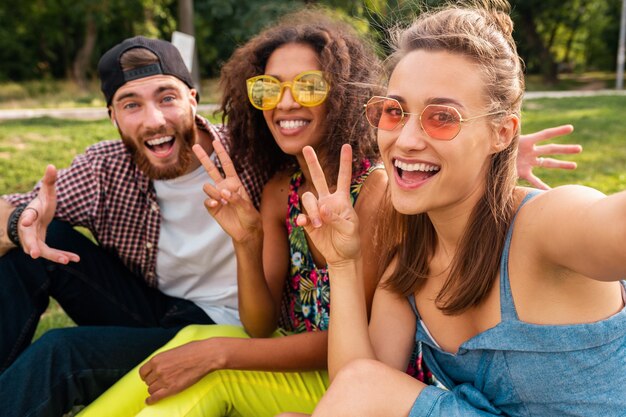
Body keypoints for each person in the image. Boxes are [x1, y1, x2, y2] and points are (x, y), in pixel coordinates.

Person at [80, 7, 583, 417]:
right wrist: (247, 240)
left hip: (354, 377)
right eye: (269, 88)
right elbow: (258, 324)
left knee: (209, 370)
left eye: (308, 86)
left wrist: (222, 353)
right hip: (305, 363)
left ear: (340, 93)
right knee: (191, 339)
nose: (286, 102)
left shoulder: (379, 187)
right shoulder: (280, 189)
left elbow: (347, 346)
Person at [286, 1, 626, 416]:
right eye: (395, 112)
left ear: (502, 132)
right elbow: (357, 386)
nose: (406, 140)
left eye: (442, 117)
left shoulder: (545, 225)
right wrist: (342, 263)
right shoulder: (409, 267)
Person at [0, 36, 267, 417]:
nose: (154, 119)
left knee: (61, 352)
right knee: (33, 243)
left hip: (231, 325)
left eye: (167, 98)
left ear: (193, 98)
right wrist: (16, 224)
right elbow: (10, 214)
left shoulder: (250, 153)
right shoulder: (104, 169)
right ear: (113, 116)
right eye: (131, 105)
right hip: (155, 311)